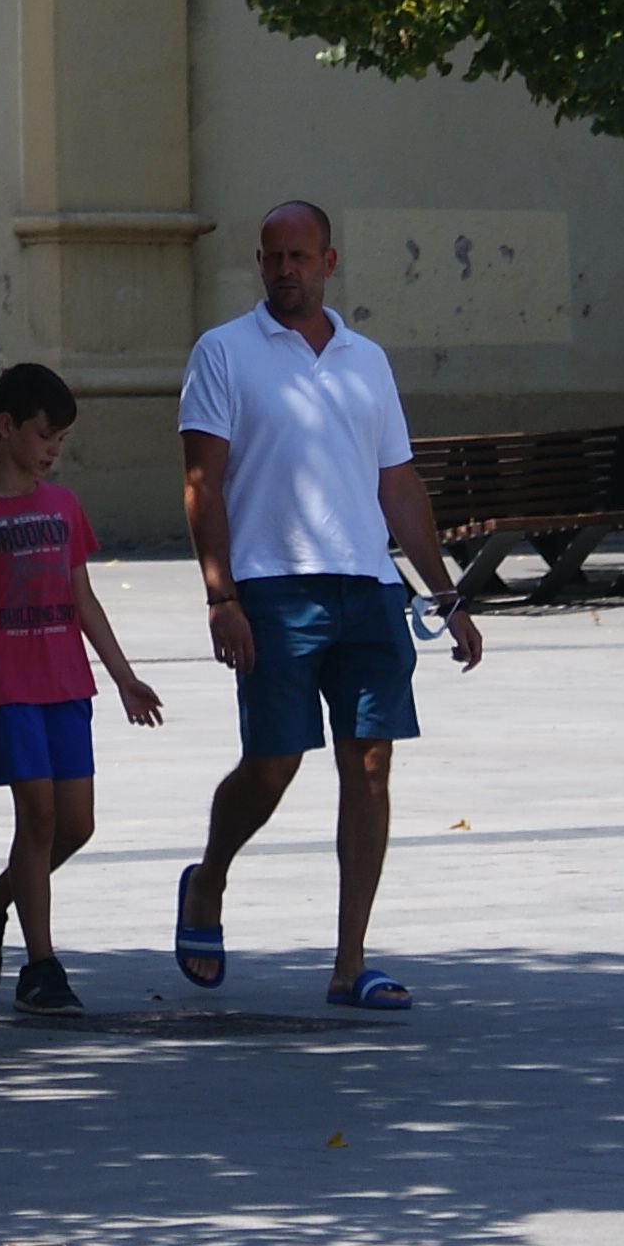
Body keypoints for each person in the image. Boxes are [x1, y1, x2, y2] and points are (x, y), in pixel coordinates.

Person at [170, 203, 483, 1011]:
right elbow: (202, 482)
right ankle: (208, 880)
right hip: (271, 589)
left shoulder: (366, 361)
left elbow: (398, 485)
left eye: (299, 256)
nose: (285, 270)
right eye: (271, 256)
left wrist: (445, 596)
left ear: (329, 261)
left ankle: (350, 963)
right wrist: (221, 594)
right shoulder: (224, 354)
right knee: (274, 764)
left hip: (369, 591)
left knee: (370, 767)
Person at [0, 361, 163, 1014]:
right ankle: (42, 966)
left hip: (66, 685)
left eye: (61, 439)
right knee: (39, 816)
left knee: (76, 826)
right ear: (6, 426)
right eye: (45, 435)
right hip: (9, 688)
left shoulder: (64, 506)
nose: (54, 450)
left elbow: (82, 596)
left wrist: (124, 676)